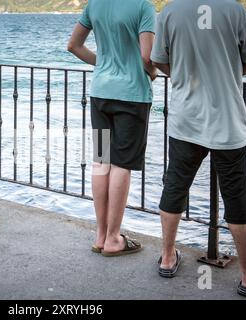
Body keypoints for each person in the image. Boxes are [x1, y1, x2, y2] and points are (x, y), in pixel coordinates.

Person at [151, 0, 246, 297]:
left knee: (175, 187)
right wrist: (230, 71)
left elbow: (158, 60)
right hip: (227, 123)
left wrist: (182, 75)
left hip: (185, 120)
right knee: (235, 197)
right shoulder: (234, 11)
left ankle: (168, 258)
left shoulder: (170, 11)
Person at [67, 0, 157, 256]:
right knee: (121, 165)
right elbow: (146, 56)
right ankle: (114, 238)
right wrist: (152, 73)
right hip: (131, 96)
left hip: (101, 94)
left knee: (101, 162)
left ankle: (100, 236)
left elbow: (73, 45)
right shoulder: (143, 7)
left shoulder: (94, 5)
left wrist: (104, 64)